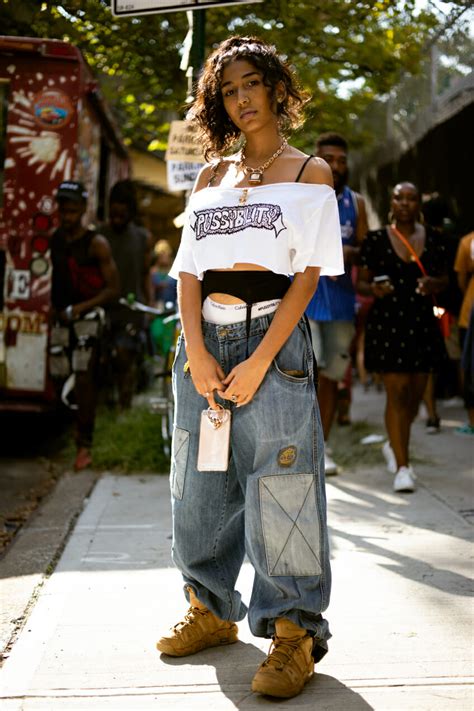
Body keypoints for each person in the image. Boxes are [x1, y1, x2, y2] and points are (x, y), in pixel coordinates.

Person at [155, 36, 343, 699]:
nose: (241, 98)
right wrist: (197, 348)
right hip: (205, 342)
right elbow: (187, 270)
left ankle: (293, 633)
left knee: (282, 487)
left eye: (251, 84)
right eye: (228, 90)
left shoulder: (308, 172)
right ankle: (210, 607)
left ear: (274, 87)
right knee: (199, 481)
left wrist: (262, 357)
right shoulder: (210, 177)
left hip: (274, 343)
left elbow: (307, 276)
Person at [356, 182, 448, 493]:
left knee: (414, 395)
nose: (405, 203)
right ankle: (403, 467)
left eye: (411, 198)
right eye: (399, 198)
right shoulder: (376, 240)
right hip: (389, 325)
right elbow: (363, 285)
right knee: (396, 394)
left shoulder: (434, 238)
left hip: (422, 324)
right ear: (391, 203)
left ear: (419, 202)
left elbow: (446, 279)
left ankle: (395, 445)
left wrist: (433, 283)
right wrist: (375, 290)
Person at [305, 132, 368, 474]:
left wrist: (349, 253)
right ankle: (298, 448)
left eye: (342, 161)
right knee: (303, 376)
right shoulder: (300, 197)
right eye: (330, 159)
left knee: (330, 378)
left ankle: (321, 450)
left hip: (342, 303)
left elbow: (366, 248)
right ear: (316, 159)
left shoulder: (355, 203)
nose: (337, 166)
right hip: (304, 301)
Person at [50, 181, 119, 470]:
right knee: (58, 376)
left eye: (72, 205)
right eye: (62, 205)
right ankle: (70, 436)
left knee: (83, 378)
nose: (67, 210)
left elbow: (113, 289)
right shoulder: (56, 239)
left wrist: (80, 308)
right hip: (62, 319)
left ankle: (84, 446)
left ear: (82, 208)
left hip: (87, 319)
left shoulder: (96, 243)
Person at [101, 180, 153, 409]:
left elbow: (145, 276)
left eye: (121, 215)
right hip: (103, 307)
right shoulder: (99, 235)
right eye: (113, 214)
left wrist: (150, 306)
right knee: (103, 360)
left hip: (131, 309)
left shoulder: (143, 238)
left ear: (130, 213)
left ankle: (124, 407)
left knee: (125, 357)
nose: (116, 220)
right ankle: (107, 403)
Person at [454, 230, 474, 435]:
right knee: (469, 369)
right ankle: (472, 420)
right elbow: (461, 280)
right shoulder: (467, 241)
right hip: (470, 317)